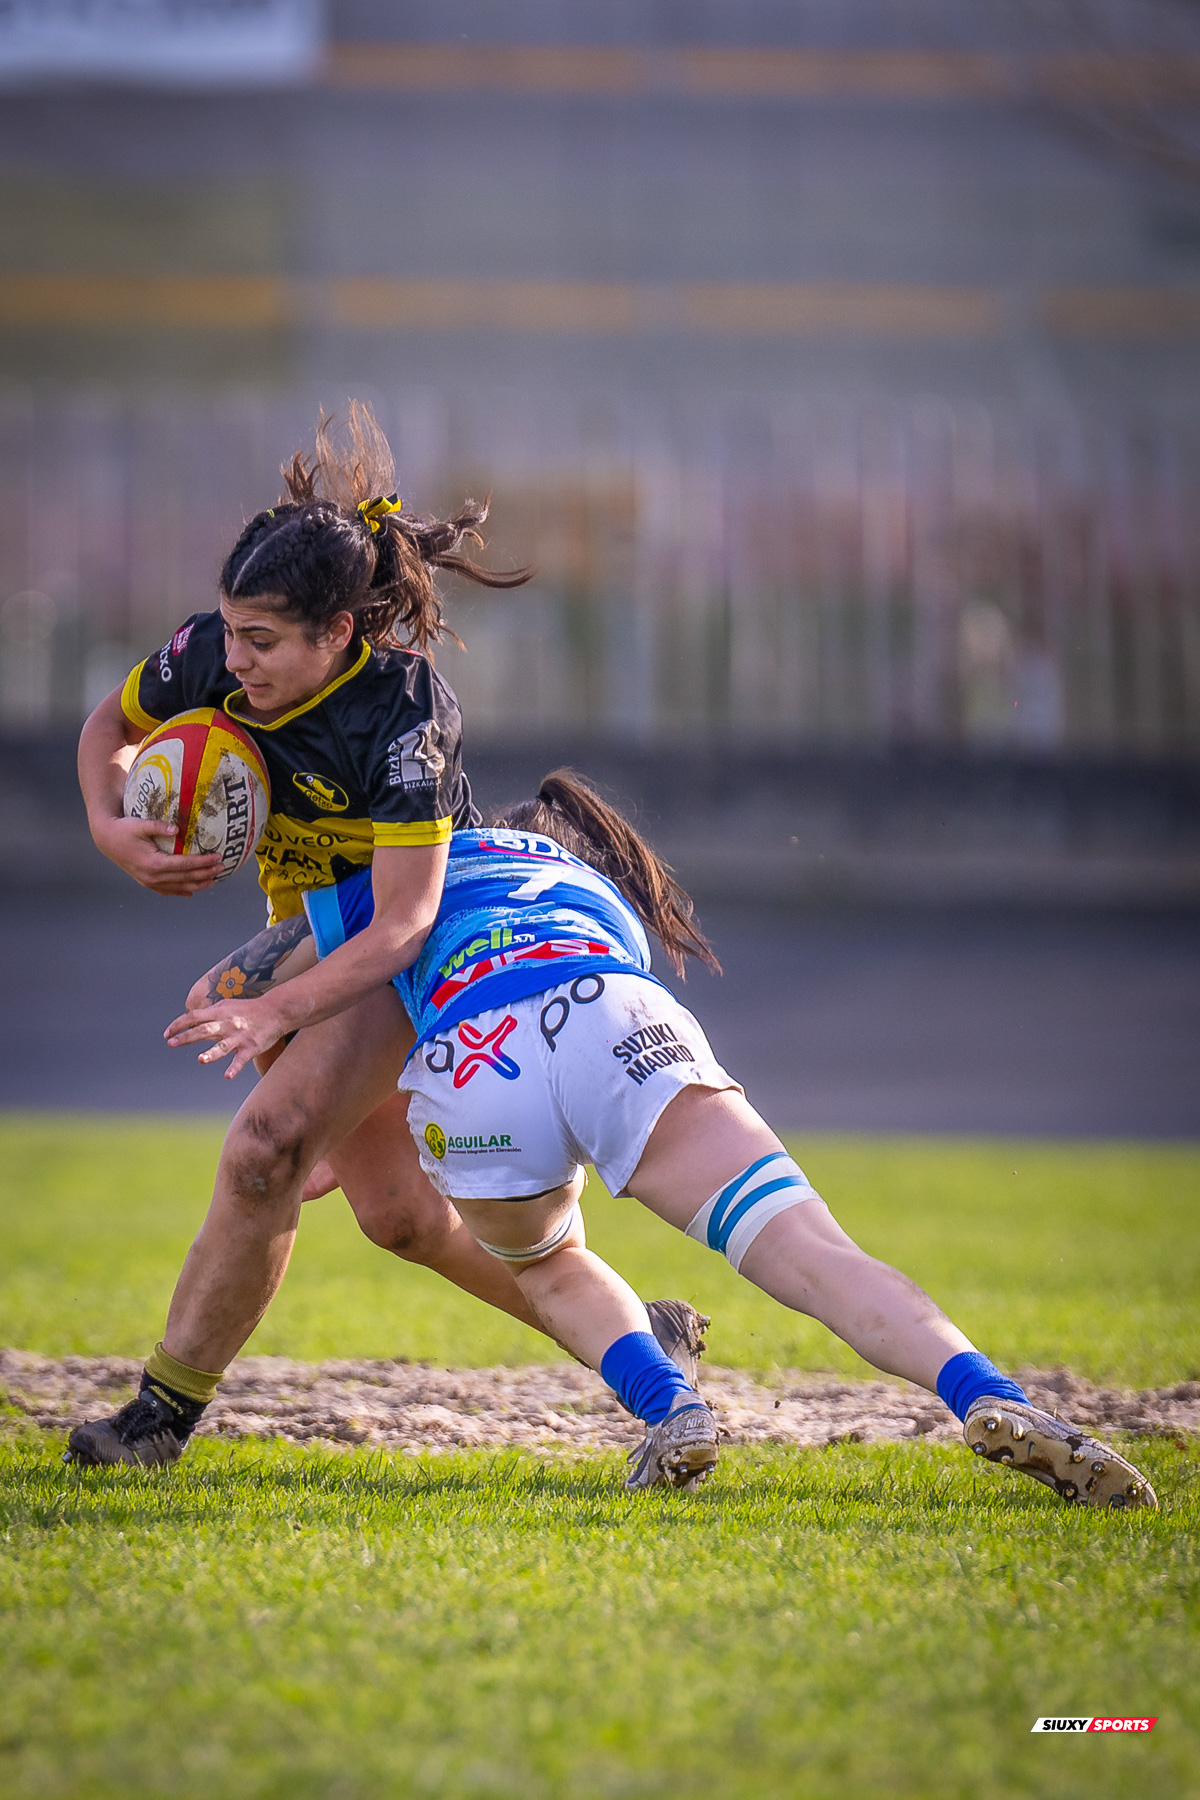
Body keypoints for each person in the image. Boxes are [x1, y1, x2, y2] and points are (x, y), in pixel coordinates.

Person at [162, 771, 1158, 1506]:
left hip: (478, 1059)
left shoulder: (414, 875)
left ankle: (669, 1407)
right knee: (814, 1253)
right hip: (617, 1016)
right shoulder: (601, 900)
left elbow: (229, 990)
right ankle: (988, 1392)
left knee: (553, 1268)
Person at [67, 409, 704, 1470]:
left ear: (339, 635)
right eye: (230, 632)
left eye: (264, 642)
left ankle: (157, 1421)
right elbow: (107, 730)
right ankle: (641, 1335)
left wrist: (274, 1011)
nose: (236, 661)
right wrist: (109, 828)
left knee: (265, 1148)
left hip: (418, 942)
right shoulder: (211, 659)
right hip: (314, 937)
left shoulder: (402, 709)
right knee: (401, 1220)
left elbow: (402, 920)